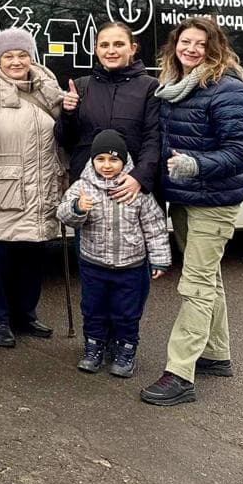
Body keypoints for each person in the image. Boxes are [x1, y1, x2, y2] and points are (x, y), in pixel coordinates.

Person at [140, 16, 243, 406]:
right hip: (186, 198)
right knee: (208, 278)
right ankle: (217, 353)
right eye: (184, 42)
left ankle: (180, 373)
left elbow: (241, 151)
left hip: (215, 200)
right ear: (174, 46)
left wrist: (197, 164)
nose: (190, 49)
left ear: (214, 48)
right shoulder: (173, 87)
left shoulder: (228, 89)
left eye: (199, 44)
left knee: (195, 284)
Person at [0, 27, 65, 349]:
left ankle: (24, 314)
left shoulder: (49, 90)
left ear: (32, 57)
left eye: (23, 55)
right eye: (9, 56)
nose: (16, 61)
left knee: (32, 256)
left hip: (41, 187)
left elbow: (63, 136)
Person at [56, 129, 170, 378]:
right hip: (93, 263)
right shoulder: (82, 187)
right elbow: (63, 215)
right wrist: (77, 208)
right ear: (92, 160)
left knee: (127, 311)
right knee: (93, 308)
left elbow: (155, 226)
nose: (107, 165)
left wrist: (160, 258)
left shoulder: (135, 189)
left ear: (124, 160)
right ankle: (93, 346)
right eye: (101, 159)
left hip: (130, 265)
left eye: (113, 159)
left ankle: (125, 348)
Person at [55, 21, 161, 204]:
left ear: (133, 48)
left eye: (119, 44)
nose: (111, 51)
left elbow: (154, 139)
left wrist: (139, 178)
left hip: (132, 195)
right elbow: (65, 140)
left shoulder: (150, 87)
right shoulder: (80, 86)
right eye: (104, 45)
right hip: (89, 196)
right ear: (95, 49)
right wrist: (68, 113)